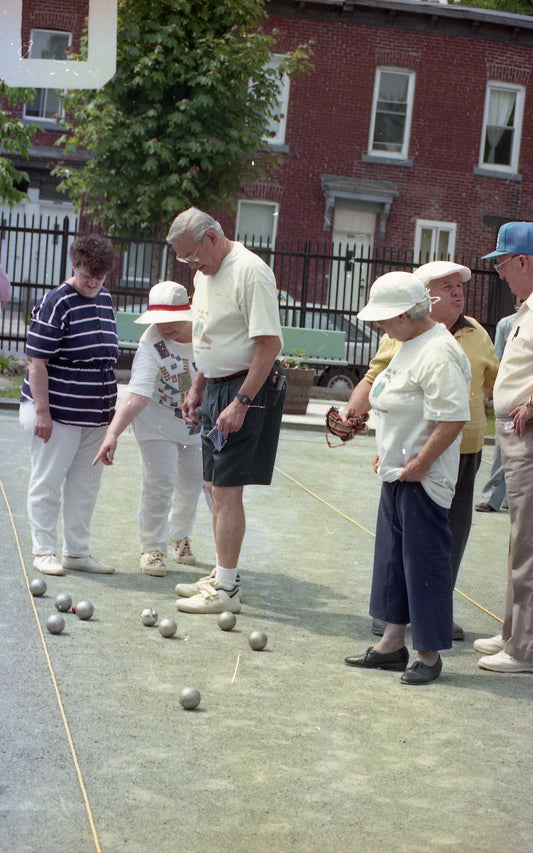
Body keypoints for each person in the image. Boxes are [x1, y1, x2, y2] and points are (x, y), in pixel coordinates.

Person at [344, 260, 499, 641]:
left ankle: (428, 650)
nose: (380, 326)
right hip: (403, 468)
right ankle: (392, 641)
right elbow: (391, 397)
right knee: (400, 557)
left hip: (424, 471)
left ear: (404, 314)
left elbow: (452, 418)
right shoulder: (405, 342)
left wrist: (418, 463)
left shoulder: (440, 349)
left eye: (384, 319)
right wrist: (389, 449)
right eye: (445, 287)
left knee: (425, 558)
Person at [165, 207, 286, 614]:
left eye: (191, 255)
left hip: (244, 387)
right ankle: (221, 574)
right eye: (183, 259)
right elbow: (207, 335)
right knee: (214, 486)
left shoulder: (251, 271)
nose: (189, 265)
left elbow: (269, 345)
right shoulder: (205, 274)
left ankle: (228, 589)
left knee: (228, 489)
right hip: (215, 385)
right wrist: (196, 385)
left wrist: (242, 402)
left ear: (212, 237)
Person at [19, 234, 118, 576]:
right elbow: (36, 361)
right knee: (47, 481)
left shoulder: (104, 298)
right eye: (88, 274)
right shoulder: (57, 301)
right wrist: (43, 412)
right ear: (74, 266)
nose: (93, 282)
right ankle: (43, 551)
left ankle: (77, 551)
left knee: (85, 486)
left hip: (95, 414)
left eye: (100, 276)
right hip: (57, 412)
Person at [93, 281, 204, 577]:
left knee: (194, 481)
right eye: (158, 319)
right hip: (155, 417)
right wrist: (113, 433)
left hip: (195, 420)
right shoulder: (151, 342)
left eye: (170, 319)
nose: (163, 326)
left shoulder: (205, 334)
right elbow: (138, 393)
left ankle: (179, 535)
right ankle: (153, 547)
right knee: (161, 480)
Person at [474, 221, 533, 673]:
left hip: (528, 438)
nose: (499, 273)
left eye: (502, 263)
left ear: (524, 262)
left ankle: (523, 647)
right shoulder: (525, 309)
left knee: (527, 544)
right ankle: (513, 631)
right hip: (518, 438)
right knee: (519, 540)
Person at [475, 308, 519, 513]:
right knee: (504, 447)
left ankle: (510, 498)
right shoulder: (507, 324)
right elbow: (500, 362)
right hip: (515, 391)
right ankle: (493, 496)